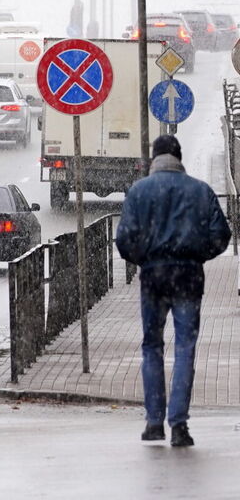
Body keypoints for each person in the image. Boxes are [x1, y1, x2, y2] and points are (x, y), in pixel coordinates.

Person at [115, 135, 230, 447]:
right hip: (188, 276)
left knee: (152, 345)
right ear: (179, 158)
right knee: (184, 348)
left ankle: (154, 422)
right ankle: (179, 424)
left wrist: (145, 258)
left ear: (154, 159)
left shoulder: (139, 191)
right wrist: (196, 254)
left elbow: (124, 238)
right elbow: (221, 234)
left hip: (153, 276)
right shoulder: (200, 191)